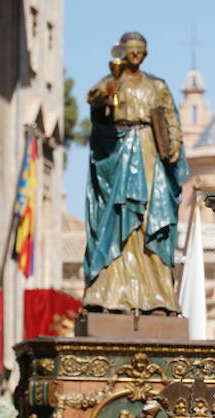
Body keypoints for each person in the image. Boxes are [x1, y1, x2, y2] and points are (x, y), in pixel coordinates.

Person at [83, 31, 188, 313]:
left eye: (140, 50)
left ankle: (157, 295)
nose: (135, 55)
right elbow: (92, 98)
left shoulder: (158, 85)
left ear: (145, 53)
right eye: (130, 50)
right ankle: (109, 293)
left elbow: (170, 118)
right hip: (119, 150)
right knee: (117, 218)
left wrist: (174, 145)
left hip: (150, 151)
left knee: (150, 217)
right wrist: (107, 95)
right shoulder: (111, 81)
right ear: (123, 52)